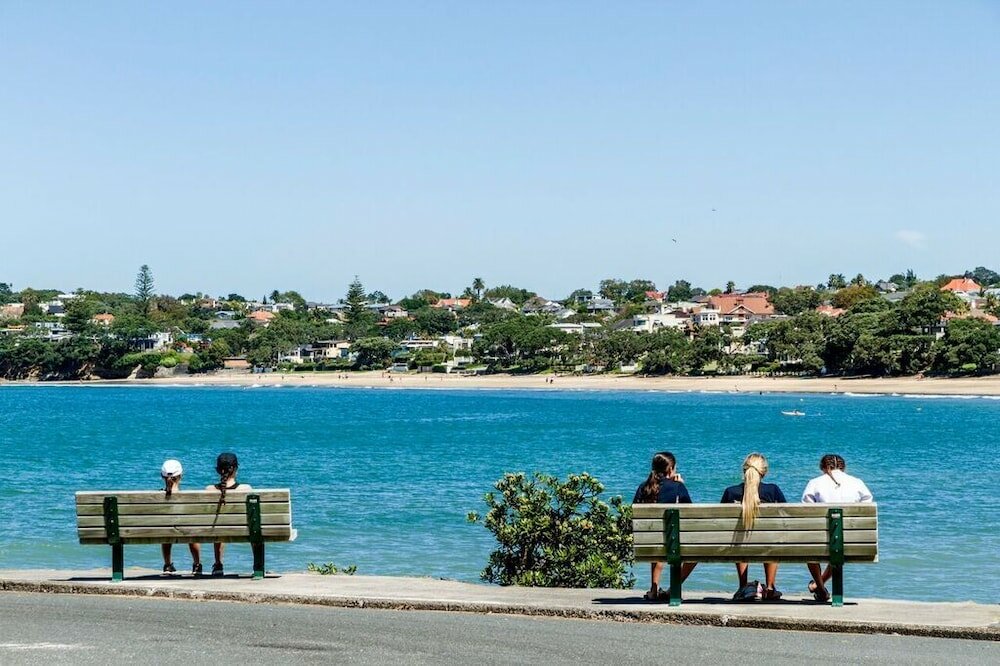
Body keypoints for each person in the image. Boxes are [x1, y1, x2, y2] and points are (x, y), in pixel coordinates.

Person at [801, 454, 874, 601]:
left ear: (823, 467)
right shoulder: (857, 483)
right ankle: (819, 586)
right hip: (852, 541)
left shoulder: (814, 483)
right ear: (843, 467)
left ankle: (820, 588)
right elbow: (868, 503)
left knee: (813, 546)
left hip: (820, 540)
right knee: (838, 545)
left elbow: (806, 511)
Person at [720, 453, 786, 601]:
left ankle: (743, 587)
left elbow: (722, 524)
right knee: (771, 538)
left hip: (737, 547)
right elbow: (785, 521)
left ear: (744, 470)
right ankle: (769, 588)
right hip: (768, 546)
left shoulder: (730, 492)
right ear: (764, 472)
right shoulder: (773, 490)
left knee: (740, 537)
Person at [633, 451, 696, 601]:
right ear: (671, 469)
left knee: (660, 540)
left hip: (649, 543)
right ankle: (673, 588)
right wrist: (680, 485)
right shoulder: (677, 487)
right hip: (675, 544)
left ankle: (653, 590)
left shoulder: (643, 487)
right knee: (678, 545)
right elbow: (690, 513)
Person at [205, 452, 251, 577]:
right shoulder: (246, 489)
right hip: (243, 530)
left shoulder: (209, 490)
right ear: (236, 469)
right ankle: (258, 565)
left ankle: (218, 564)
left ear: (217, 470)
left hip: (217, 530)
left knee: (219, 525)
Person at [159, 459, 202, 576]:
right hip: (187, 531)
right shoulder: (189, 497)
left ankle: (167, 565)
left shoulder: (155, 497)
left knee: (165, 530)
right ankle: (197, 564)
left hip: (163, 531)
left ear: (161, 476)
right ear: (181, 476)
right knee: (191, 529)